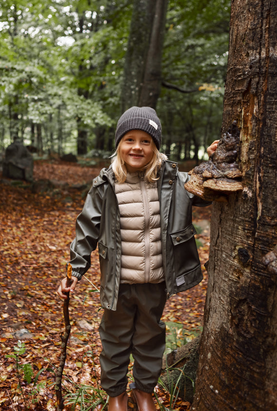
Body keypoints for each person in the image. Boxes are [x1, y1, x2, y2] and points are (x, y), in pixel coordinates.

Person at [57, 107, 219, 411]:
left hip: (156, 281)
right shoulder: (105, 184)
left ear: (155, 147)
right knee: (115, 341)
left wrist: (214, 161)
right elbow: (86, 230)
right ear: (119, 143)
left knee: (149, 340)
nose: (137, 147)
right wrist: (74, 270)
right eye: (129, 139)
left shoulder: (172, 179)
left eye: (146, 141)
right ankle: (116, 394)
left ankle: (144, 392)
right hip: (118, 283)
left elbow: (205, 188)